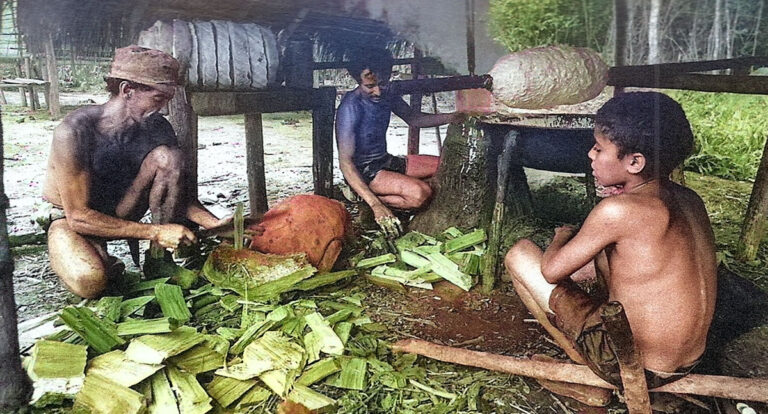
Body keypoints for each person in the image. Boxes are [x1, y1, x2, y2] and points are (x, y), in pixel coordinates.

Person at [504, 92, 717, 394]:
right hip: (691, 360)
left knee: (519, 254)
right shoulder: (690, 199)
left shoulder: (618, 211)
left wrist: (561, 236)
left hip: (635, 366)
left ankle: (589, 378)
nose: (591, 155)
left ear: (634, 161)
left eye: (599, 148)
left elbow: (551, 271)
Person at [43, 45, 237, 298]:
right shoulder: (74, 131)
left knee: (169, 157)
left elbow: (178, 195)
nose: (165, 109)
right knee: (90, 281)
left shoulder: (156, 127)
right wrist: (155, 231)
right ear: (127, 90)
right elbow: (78, 216)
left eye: (168, 99)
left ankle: (157, 260)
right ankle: (98, 257)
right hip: (72, 221)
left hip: (123, 209)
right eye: (158, 99)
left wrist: (216, 224)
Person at [335, 50, 467, 224]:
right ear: (359, 81)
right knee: (421, 194)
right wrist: (376, 205)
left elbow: (415, 119)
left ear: (389, 75)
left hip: (386, 161)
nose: (378, 92)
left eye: (382, 84)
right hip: (366, 171)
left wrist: (452, 116)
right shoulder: (351, 106)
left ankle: (392, 194)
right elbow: (346, 163)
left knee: (449, 166)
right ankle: (368, 202)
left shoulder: (388, 94)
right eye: (370, 86)